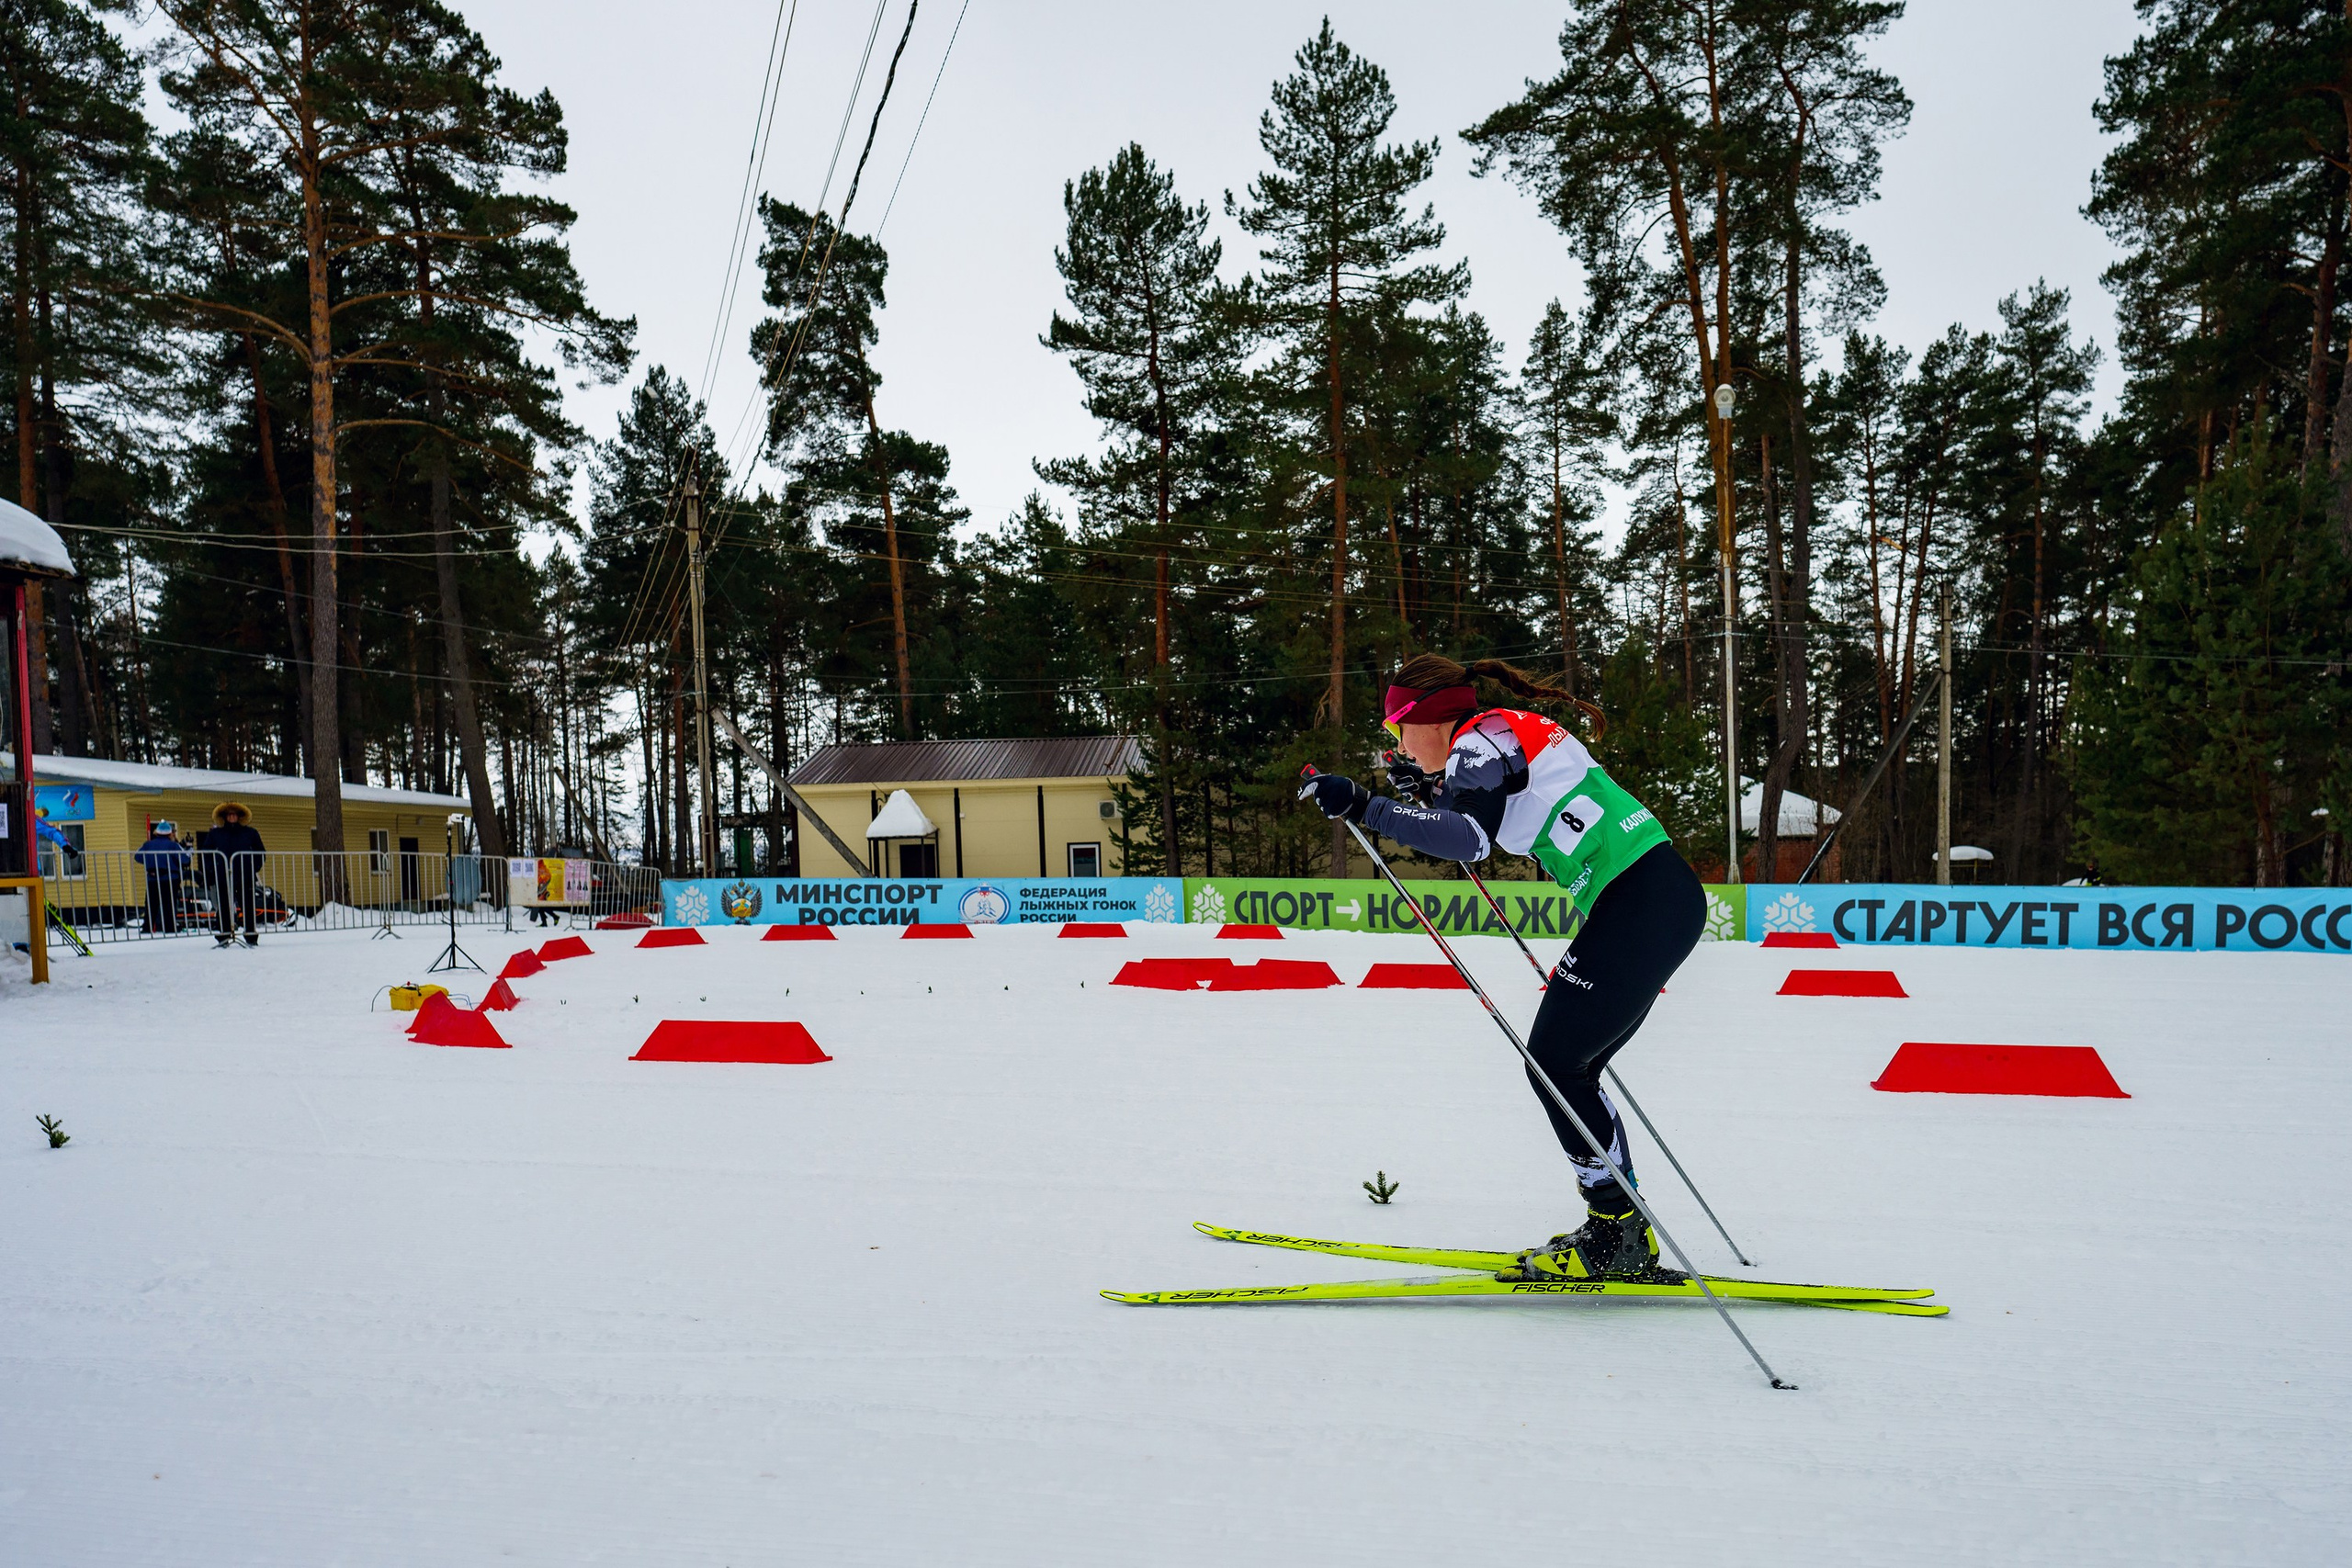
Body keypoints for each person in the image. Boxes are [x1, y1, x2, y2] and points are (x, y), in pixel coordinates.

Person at [1297, 653, 1706, 1282]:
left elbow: (1470, 837)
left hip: (1640, 902)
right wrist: (1430, 793)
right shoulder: (1496, 731)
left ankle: (1618, 1231)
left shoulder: (1478, 740)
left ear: (1428, 718)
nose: (1397, 745)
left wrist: (1365, 805)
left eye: (1395, 729)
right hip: (1652, 898)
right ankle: (1617, 1225)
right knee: (1568, 1066)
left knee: (1556, 1065)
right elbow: (1491, 805)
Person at [199, 801, 266, 948]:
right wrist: (212, 870)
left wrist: (254, 867)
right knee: (223, 907)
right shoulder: (215, 834)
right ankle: (224, 935)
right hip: (223, 876)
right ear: (224, 817)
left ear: (239, 816)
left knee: (248, 906)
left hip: (245, 876)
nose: (232, 817)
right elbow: (206, 853)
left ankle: (251, 936)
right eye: (229, 815)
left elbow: (260, 851)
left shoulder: (250, 833)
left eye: (234, 814)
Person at [133, 819, 192, 934]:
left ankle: (147, 928)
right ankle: (169, 928)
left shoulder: (148, 845)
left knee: (151, 905)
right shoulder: (173, 845)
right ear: (170, 833)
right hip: (170, 878)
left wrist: (149, 862)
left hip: (152, 879)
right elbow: (185, 859)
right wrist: (189, 850)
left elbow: (137, 857)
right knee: (169, 905)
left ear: (157, 832)